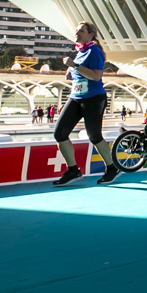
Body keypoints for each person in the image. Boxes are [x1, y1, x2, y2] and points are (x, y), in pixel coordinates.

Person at [53, 21, 120, 186]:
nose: (76, 33)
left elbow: (96, 76)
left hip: (94, 98)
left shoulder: (94, 51)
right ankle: (73, 170)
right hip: (76, 97)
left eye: (81, 31)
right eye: (76, 31)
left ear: (91, 34)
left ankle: (112, 168)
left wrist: (75, 66)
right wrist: (71, 72)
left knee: (94, 136)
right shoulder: (80, 51)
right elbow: (80, 73)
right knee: (60, 134)